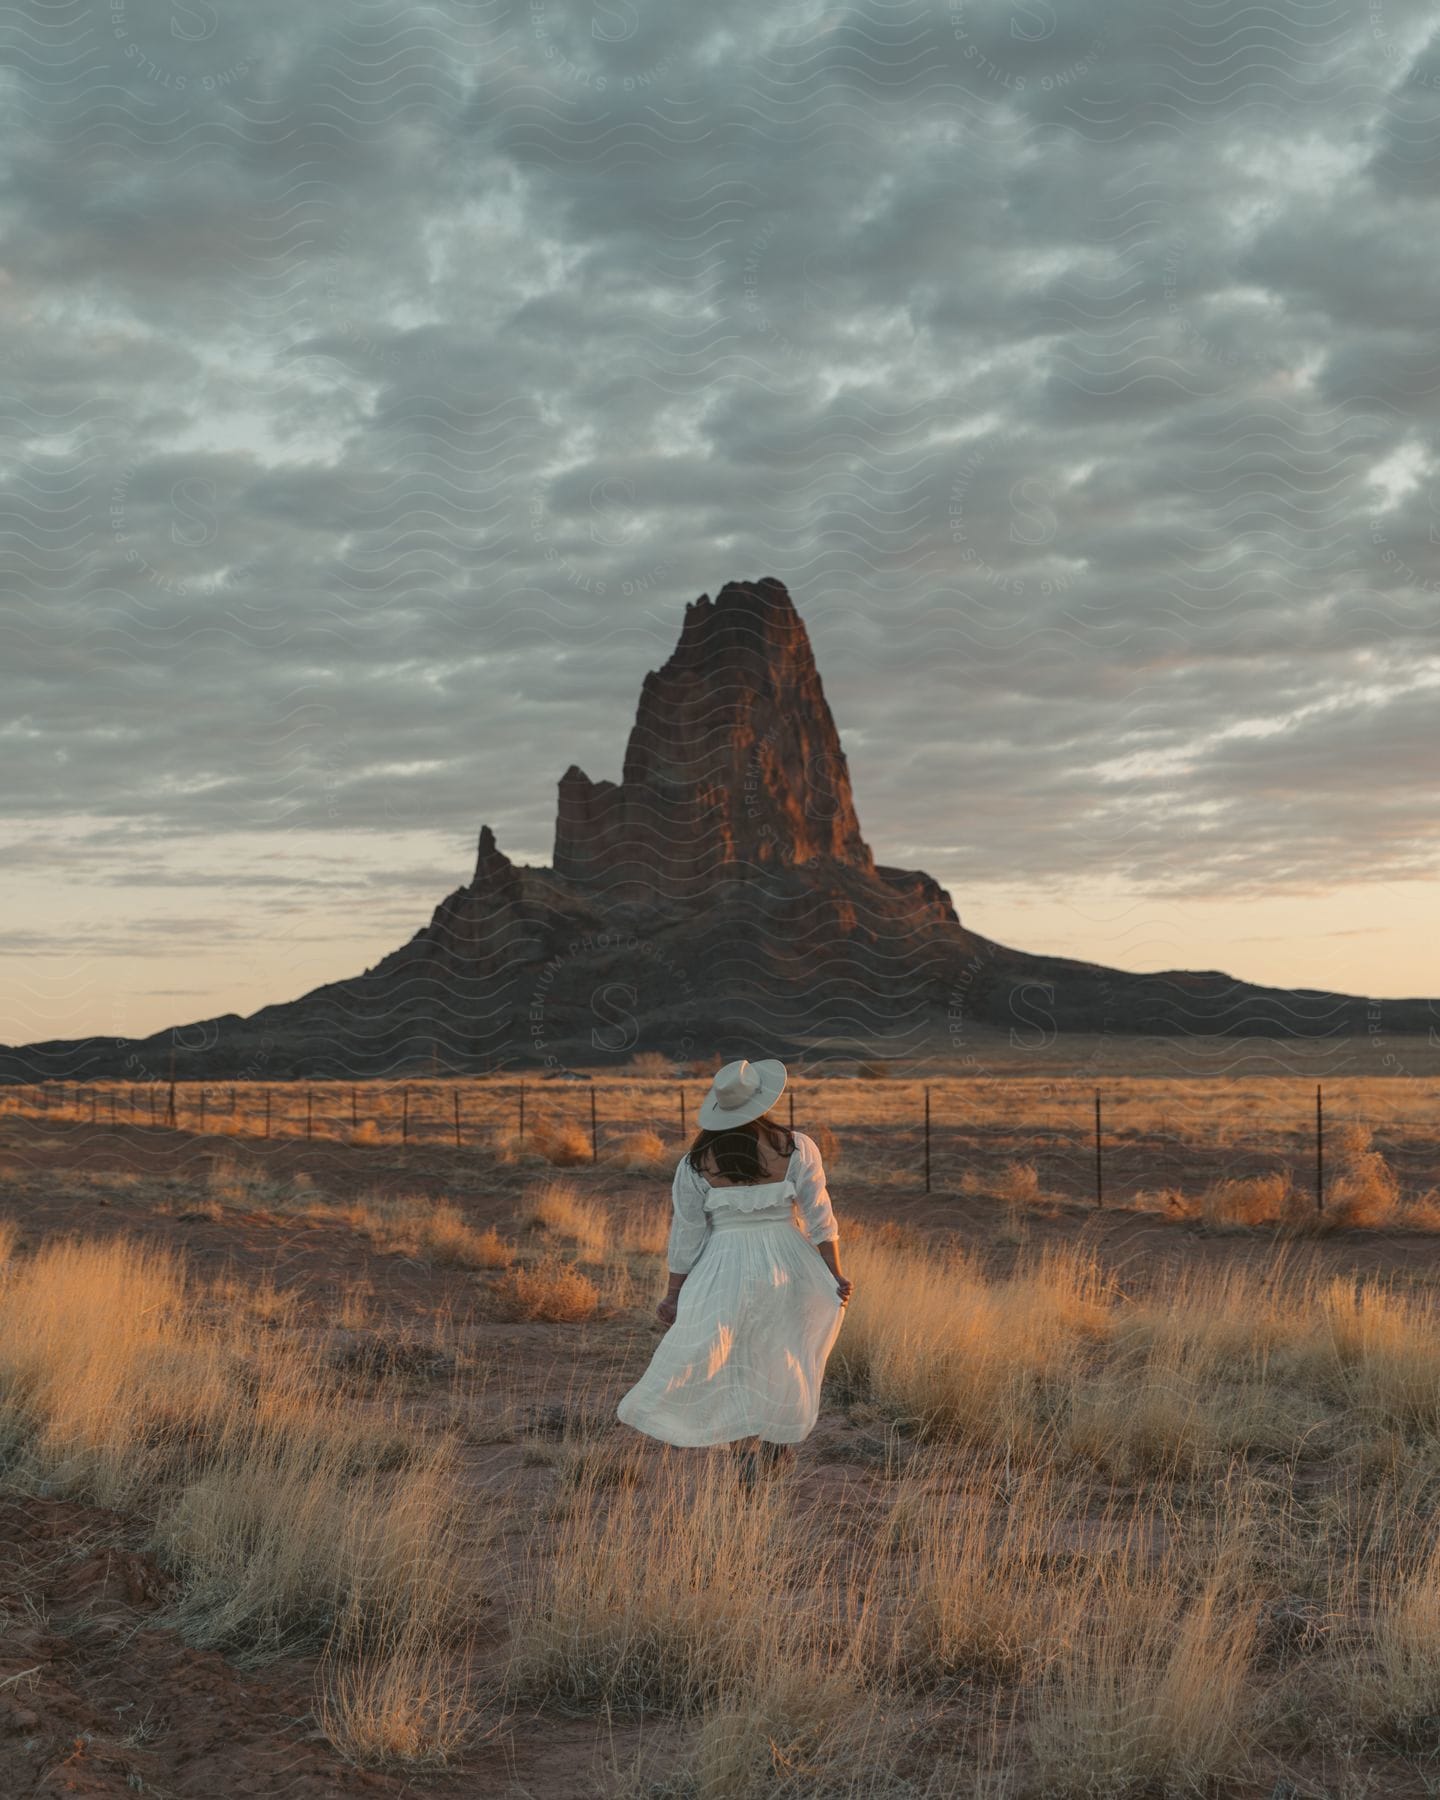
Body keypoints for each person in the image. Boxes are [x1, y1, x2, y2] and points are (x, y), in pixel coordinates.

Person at [615, 1057, 853, 1489]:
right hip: (789, 1263)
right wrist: (835, 1274)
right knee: (785, 1349)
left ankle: (745, 1457)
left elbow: (686, 1236)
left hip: (723, 1268)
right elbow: (821, 1217)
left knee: (734, 1362)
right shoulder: (797, 1147)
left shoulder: (695, 1162)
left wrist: (673, 1294)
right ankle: (778, 1437)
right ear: (762, 1101)